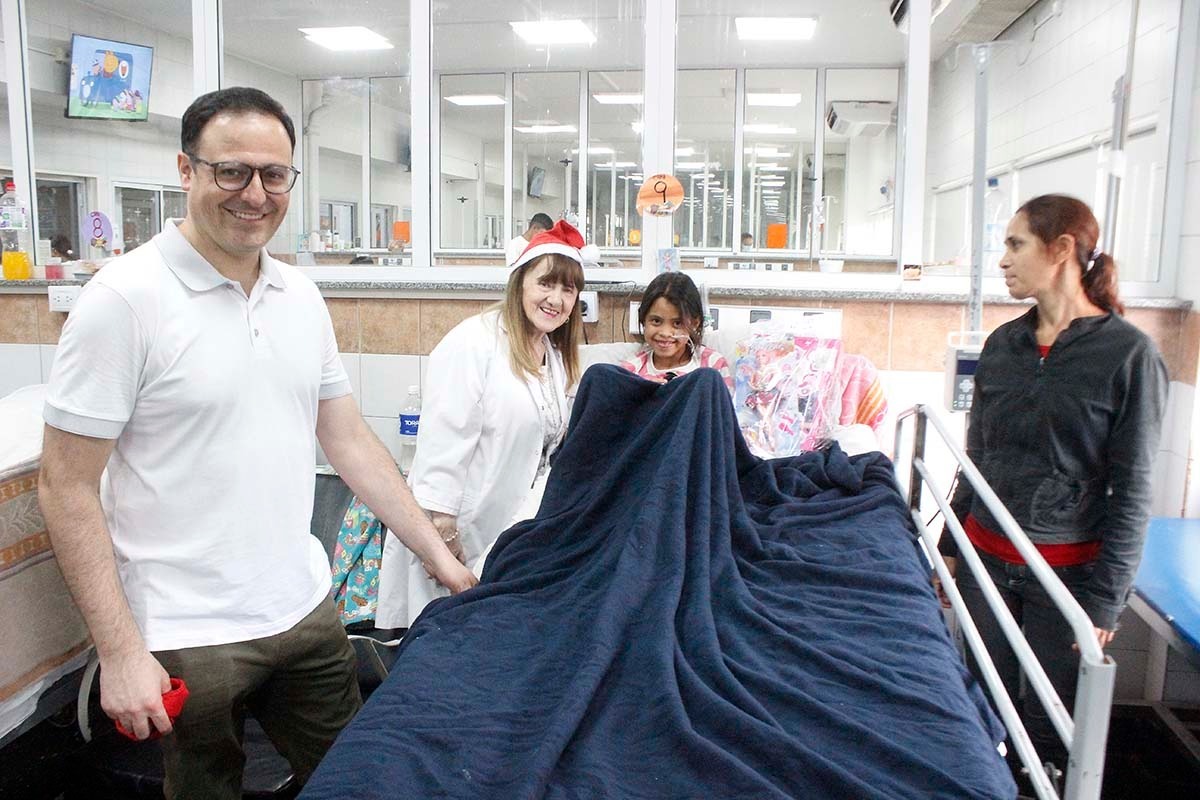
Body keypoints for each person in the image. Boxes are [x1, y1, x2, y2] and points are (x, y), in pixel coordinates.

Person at [38, 87, 475, 799]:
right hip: (185, 629)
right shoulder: (124, 300)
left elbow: (348, 439)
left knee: (360, 780)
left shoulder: (299, 296)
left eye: (274, 175)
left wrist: (442, 562)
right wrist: (119, 652)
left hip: (304, 607)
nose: (255, 194)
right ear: (186, 170)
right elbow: (65, 484)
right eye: (232, 171)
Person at [939, 194, 1166, 779]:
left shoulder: (1128, 356)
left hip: (1064, 579)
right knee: (985, 709)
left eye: (1016, 244)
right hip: (987, 564)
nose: (1003, 260)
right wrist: (949, 547)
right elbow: (977, 457)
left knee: (1050, 723)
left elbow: (1134, 490)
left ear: (1061, 249)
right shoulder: (1003, 346)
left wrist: (1106, 599)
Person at [376, 220, 587, 628]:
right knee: (437, 638)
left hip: (504, 534)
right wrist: (442, 537)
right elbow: (443, 443)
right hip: (454, 537)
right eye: (546, 283)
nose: (556, 299)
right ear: (520, 282)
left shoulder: (552, 354)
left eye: (568, 289)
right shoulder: (473, 343)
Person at [620, 271, 732, 391]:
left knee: (708, 375)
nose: (665, 333)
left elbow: (724, 401)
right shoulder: (631, 370)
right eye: (656, 321)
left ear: (694, 324)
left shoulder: (713, 363)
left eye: (677, 323)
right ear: (643, 319)